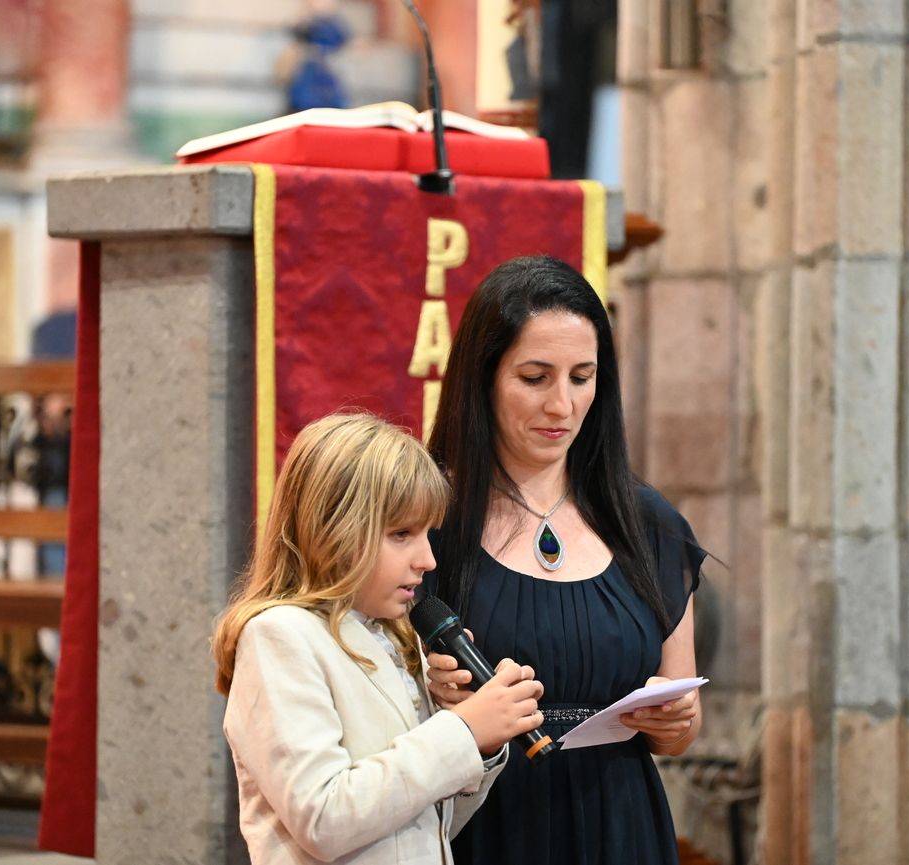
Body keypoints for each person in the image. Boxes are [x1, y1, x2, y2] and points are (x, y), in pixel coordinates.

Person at [422, 255, 706, 865]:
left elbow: (681, 730)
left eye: (582, 377)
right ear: (483, 377)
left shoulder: (649, 523)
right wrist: (431, 695)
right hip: (488, 822)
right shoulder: (427, 521)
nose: (562, 406)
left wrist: (674, 719)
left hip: (622, 822)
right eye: (535, 377)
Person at [211, 413, 547, 865]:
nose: (427, 558)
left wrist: (480, 740)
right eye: (401, 534)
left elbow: (429, 829)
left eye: (428, 534)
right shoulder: (280, 636)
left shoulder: (398, 639)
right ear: (332, 529)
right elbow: (323, 820)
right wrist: (462, 731)